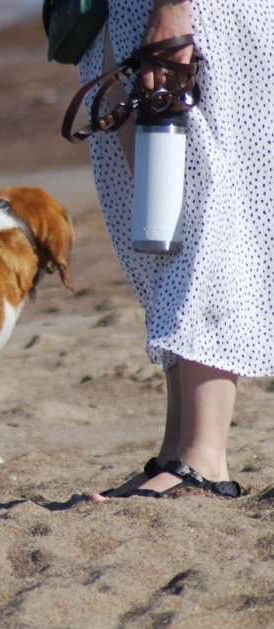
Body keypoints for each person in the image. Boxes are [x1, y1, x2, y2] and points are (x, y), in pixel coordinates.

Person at [76, 0, 274, 498]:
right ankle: (179, 447)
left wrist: (172, 10)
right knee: (161, 228)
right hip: (130, 15)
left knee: (201, 216)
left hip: (190, 15)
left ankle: (203, 454)